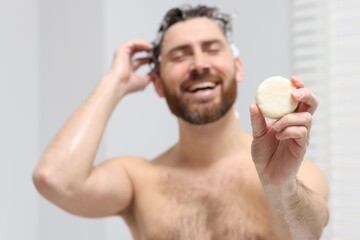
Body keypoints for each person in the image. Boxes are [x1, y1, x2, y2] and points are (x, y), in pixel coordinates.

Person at [33, 5, 329, 240]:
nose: (199, 64)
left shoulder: (293, 173)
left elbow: (307, 235)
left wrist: (280, 186)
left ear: (237, 68)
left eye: (212, 48)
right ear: (158, 84)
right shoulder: (139, 180)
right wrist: (114, 82)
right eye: (179, 55)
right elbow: (55, 179)